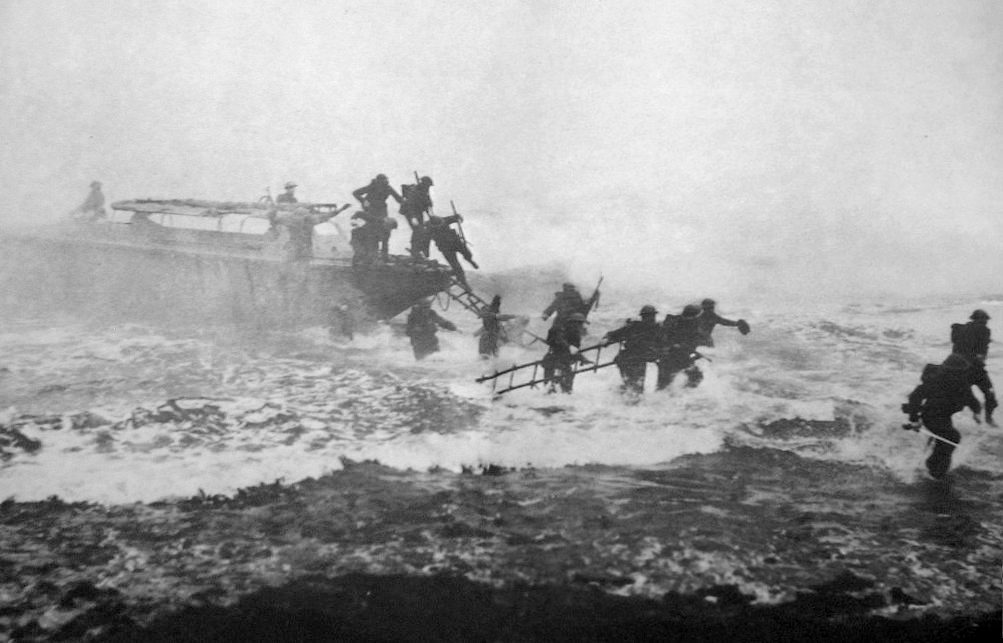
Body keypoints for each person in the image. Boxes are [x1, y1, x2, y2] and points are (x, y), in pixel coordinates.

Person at [902, 353, 982, 480]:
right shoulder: (935, 381)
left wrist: (976, 413)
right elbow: (915, 397)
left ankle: (936, 468)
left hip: (944, 417)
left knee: (945, 440)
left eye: (961, 373)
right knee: (952, 437)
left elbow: (972, 400)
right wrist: (914, 419)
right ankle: (935, 468)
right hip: (930, 415)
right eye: (956, 373)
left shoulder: (961, 383)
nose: (959, 376)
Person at [603, 305, 663, 395]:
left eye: (652, 316)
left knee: (634, 387)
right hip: (628, 360)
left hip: (636, 360)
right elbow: (612, 334)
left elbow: (660, 344)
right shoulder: (634, 326)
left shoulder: (655, 328)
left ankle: (623, 398)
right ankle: (625, 400)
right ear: (644, 317)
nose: (652, 319)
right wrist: (607, 340)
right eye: (650, 316)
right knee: (635, 387)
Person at [951, 309, 997, 425]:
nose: (986, 323)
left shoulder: (961, 330)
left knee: (957, 398)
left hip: (959, 370)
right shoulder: (984, 330)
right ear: (979, 320)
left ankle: (977, 413)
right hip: (975, 370)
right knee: (989, 394)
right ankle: (989, 419)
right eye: (985, 320)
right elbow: (981, 354)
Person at [352, 174, 403, 259]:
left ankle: (384, 254)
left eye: (385, 180)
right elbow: (356, 193)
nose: (385, 182)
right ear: (378, 181)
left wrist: (405, 200)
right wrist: (364, 201)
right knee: (372, 229)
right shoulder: (372, 187)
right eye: (383, 181)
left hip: (382, 209)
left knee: (385, 229)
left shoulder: (388, 188)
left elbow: (398, 198)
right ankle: (371, 251)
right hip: (371, 208)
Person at [268, 205, 341, 261]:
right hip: (305, 248)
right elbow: (326, 216)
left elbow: (275, 219)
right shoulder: (310, 219)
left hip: (293, 247)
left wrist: (273, 211)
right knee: (304, 267)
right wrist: (340, 210)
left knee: (289, 266)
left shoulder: (289, 219)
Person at [658, 304, 705, 390]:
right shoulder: (673, 322)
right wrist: (674, 345)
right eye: (696, 316)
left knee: (696, 376)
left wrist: (693, 353)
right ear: (692, 315)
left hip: (682, 356)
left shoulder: (691, 324)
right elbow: (662, 338)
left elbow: (692, 343)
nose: (697, 318)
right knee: (664, 384)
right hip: (670, 357)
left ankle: (683, 394)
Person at [541, 312, 590, 393]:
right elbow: (558, 340)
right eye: (579, 324)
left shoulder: (575, 335)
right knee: (549, 384)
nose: (581, 326)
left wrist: (582, 358)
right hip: (552, 359)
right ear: (573, 323)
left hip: (564, 361)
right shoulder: (559, 329)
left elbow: (574, 351)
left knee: (567, 386)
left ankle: (564, 394)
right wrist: (568, 347)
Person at [427, 214, 478, 287]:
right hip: (445, 248)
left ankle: (470, 260)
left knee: (466, 252)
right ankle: (464, 282)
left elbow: (456, 217)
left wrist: (459, 219)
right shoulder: (428, 229)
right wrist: (426, 252)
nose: (440, 227)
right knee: (455, 265)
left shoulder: (444, 219)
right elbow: (425, 241)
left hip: (455, 242)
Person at [400, 176, 435, 258]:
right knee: (418, 230)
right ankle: (414, 251)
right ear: (424, 184)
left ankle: (417, 250)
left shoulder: (425, 191)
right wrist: (413, 218)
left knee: (421, 230)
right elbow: (410, 205)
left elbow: (427, 203)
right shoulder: (414, 192)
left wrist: (430, 211)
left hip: (418, 212)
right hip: (410, 212)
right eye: (428, 185)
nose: (429, 187)